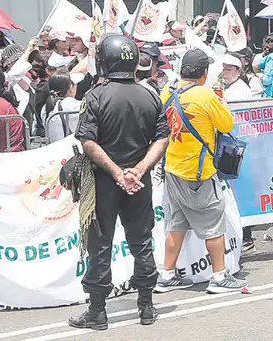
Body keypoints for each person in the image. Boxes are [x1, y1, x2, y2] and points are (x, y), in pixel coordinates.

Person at [69, 34, 170, 330]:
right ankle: (146, 306)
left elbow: (87, 141)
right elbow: (162, 137)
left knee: (99, 245)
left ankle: (98, 311)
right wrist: (137, 171)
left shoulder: (96, 96)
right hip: (138, 183)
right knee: (142, 242)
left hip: (104, 183)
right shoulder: (150, 93)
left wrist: (117, 173)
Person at [156, 49, 245, 295]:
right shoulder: (205, 96)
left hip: (172, 168)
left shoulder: (168, 91)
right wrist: (220, 99)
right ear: (205, 73)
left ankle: (166, 275)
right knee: (213, 224)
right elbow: (226, 124)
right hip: (199, 171)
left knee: (177, 222)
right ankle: (219, 277)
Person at [42, 72, 81, 142]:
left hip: (53, 148)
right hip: (68, 149)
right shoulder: (71, 104)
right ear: (71, 88)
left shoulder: (46, 106)